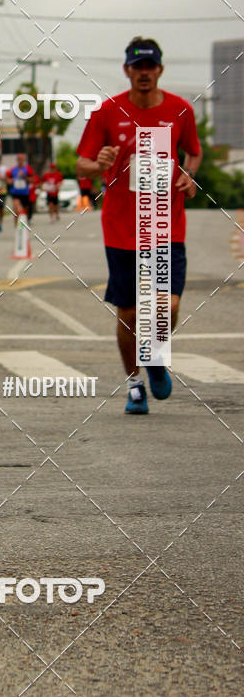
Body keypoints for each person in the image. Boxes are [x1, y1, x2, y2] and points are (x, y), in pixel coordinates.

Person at [77, 36, 201, 415]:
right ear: (127, 70)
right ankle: (134, 384)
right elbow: (82, 164)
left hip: (165, 225)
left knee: (167, 303)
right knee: (129, 313)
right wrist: (99, 164)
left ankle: (156, 356)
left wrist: (188, 176)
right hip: (121, 229)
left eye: (150, 66)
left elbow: (193, 152)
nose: (143, 73)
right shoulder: (107, 113)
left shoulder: (180, 111)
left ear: (159, 70)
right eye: (137, 67)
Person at [7, 153, 34, 221]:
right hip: (15, 192)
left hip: (25, 193)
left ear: (24, 160)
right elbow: (8, 179)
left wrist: (24, 176)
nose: (20, 161)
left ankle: (26, 221)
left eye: (21, 159)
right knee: (16, 209)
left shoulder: (28, 169)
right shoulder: (13, 169)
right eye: (19, 159)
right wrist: (10, 181)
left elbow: (32, 180)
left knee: (25, 211)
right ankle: (16, 224)